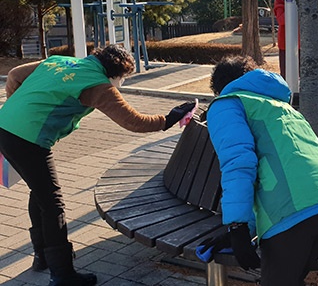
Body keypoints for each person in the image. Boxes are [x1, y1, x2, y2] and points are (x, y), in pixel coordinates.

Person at [0, 44, 196, 285]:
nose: (122, 83)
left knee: (40, 194)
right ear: (116, 74)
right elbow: (133, 121)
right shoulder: (97, 85)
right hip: (26, 139)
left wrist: (16, 112)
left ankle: (42, 257)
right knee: (52, 204)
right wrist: (168, 119)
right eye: (123, 78)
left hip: (5, 125)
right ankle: (62, 274)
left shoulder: (61, 61)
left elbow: (14, 75)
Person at [197, 55, 318, 286]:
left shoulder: (227, 103)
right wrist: (244, 229)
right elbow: (274, 169)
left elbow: (238, 164)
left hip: (294, 210)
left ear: (219, 89)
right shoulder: (280, 106)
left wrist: (237, 226)